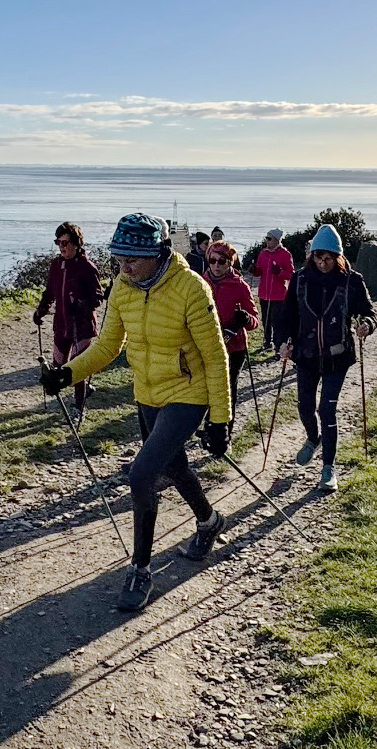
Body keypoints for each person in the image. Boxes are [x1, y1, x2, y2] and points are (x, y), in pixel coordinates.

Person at [41, 213, 232, 612]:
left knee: (142, 474)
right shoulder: (123, 288)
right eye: (119, 257)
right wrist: (67, 373)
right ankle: (209, 521)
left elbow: (215, 357)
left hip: (188, 392)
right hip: (147, 392)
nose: (124, 266)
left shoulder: (191, 288)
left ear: (158, 254)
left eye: (132, 258)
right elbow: (108, 346)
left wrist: (220, 420)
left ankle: (140, 569)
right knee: (174, 466)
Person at [279, 224, 377, 492]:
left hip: (338, 357)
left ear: (338, 257)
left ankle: (328, 468)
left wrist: (366, 325)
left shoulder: (352, 280)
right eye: (318, 258)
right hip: (306, 356)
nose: (323, 264)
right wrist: (283, 341)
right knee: (304, 407)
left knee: (326, 409)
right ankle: (314, 438)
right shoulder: (299, 279)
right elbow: (286, 317)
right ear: (311, 256)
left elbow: (368, 312)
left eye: (328, 259)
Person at [33, 223, 104, 421]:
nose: (61, 247)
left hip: (82, 325)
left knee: (76, 367)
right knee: (58, 365)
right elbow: (49, 291)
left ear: (76, 243)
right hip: (62, 323)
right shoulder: (56, 265)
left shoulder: (87, 267)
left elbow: (98, 297)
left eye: (65, 243)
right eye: (58, 242)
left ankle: (79, 408)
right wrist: (41, 310)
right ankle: (85, 389)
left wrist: (81, 304)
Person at [203, 241, 259, 436]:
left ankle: (224, 434)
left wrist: (245, 318)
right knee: (206, 389)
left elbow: (255, 321)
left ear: (230, 262)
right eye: (212, 260)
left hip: (234, 348)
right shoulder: (200, 283)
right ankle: (209, 427)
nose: (216, 265)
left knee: (227, 390)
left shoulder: (240, 286)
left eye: (222, 261)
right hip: (207, 345)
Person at [249, 228, 294, 352]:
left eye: (269, 238)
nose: (267, 241)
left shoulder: (285, 254)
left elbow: (291, 275)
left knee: (277, 322)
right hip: (264, 293)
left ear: (276, 240)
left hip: (278, 295)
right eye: (266, 238)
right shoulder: (263, 253)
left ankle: (278, 345)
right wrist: (254, 270)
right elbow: (259, 271)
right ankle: (267, 342)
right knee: (266, 320)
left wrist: (280, 272)